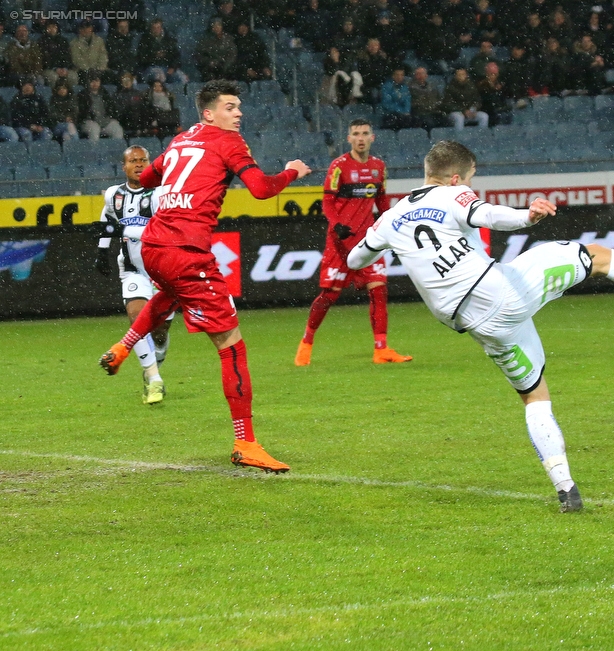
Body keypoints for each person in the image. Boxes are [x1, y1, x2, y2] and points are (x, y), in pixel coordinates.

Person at [346, 140, 614, 512]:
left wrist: (390, 243)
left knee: (534, 396)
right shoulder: (452, 195)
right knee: (594, 257)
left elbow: (354, 260)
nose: (471, 185)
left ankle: (566, 489)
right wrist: (527, 216)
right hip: (500, 295)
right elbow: (489, 215)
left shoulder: (390, 217)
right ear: (455, 178)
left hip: (473, 323)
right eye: (471, 178)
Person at [98, 79, 312, 474]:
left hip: (154, 245)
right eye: (231, 107)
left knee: (169, 294)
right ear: (210, 113)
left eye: (239, 107)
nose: (239, 113)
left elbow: (147, 181)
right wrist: (291, 172)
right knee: (232, 345)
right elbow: (262, 190)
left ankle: (125, 346)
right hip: (186, 250)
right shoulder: (228, 142)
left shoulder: (181, 140)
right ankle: (245, 442)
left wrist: (179, 186)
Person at [295, 119, 411, 367]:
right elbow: (327, 201)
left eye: (365, 133)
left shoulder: (379, 167)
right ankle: (306, 342)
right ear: (348, 139)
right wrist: (337, 224)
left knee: (379, 291)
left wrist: (388, 224)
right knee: (329, 295)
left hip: (369, 241)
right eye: (356, 134)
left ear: (372, 137)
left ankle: (381, 349)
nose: (360, 138)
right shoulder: (338, 166)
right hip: (340, 241)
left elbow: (381, 200)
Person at [95, 146, 171, 405]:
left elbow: (166, 229)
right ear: (124, 166)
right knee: (137, 318)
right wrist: (102, 252)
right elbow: (107, 219)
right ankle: (155, 380)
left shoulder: (161, 193)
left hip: (163, 270)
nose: (139, 164)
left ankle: (155, 360)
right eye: (133, 161)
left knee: (159, 332)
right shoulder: (114, 195)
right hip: (132, 268)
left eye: (143, 160)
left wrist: (126, 228)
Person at [78, 75, 125, 140]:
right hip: (89, 121)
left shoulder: (105, 94)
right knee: (94, 129)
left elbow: (111, 108)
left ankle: (114, 149)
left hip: (105, 121)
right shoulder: (82, 95)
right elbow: (81, 113)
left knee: (117, 129)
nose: (95, 84)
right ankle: (94, 149)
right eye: (92, 81)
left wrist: (112, 117)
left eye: (97, 81)